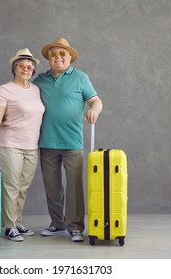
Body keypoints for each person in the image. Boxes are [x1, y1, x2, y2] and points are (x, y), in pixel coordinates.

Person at [33, 38, 103, 242]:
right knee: (52, 186)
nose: (58, 58)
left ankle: (75, 227)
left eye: (63, 54)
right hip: (47, 142)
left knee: (74, 187)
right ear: (48, 58)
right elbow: (24, 98)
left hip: (72, 142)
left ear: (70, 57)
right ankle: (57, 224)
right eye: (54, 54)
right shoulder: (40, 80)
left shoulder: (81, 78)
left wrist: (94, 111)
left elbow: (95, 100)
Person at [0, 48, 45, 242]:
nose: (27, 68)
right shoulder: (4, 89)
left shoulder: (36, 90)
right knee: (11, 186)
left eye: (30, 66)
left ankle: (17, 221)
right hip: (10, 144)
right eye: (22, 64)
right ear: (15, 67)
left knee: (23, 187)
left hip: (32, 146)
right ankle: (9, 226)